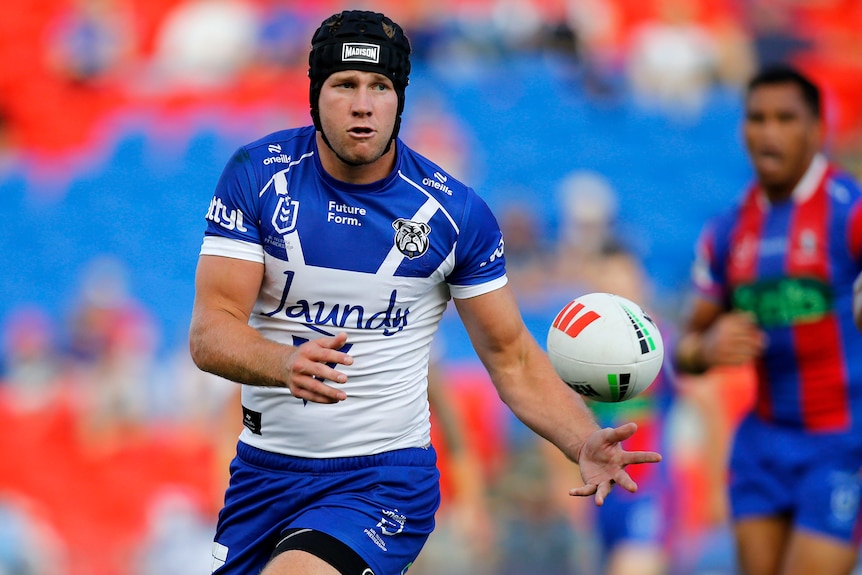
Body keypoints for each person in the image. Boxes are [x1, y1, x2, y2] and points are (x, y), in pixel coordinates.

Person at [188, 9, 661, 575]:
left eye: (380, 86)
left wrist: (581, 438)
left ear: (400, 99)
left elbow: (511, 357)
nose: (363, 104)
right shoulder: (256, 177)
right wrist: (282, 362)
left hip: (380, 482)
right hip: (263, 475)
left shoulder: (455, 214)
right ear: (315, 95)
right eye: (344, 85)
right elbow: (210, 331)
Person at [674, 64, 862, 575]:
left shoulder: (849, 213)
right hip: (762, 445)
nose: (769, 132)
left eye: (785, 118)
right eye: (757, 118)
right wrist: (706, 348)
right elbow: (683, 351)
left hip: (842, 444)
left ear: (817, 129)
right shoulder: (728, 231)